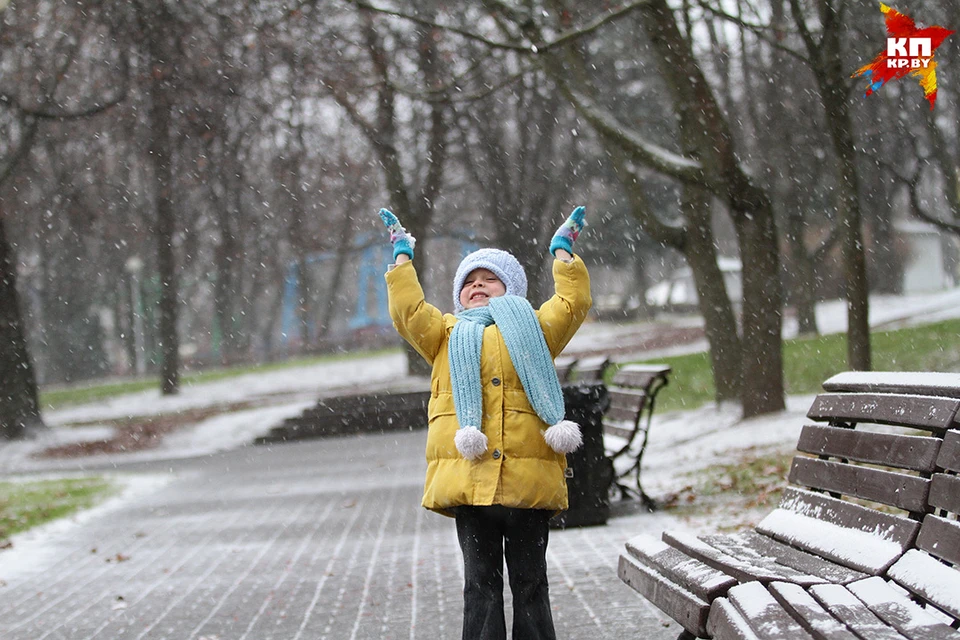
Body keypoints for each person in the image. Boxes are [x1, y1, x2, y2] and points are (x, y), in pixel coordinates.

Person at [377, 206, 592, 640]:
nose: (478, 286)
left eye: (488, 280)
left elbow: (572, 304)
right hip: (472, 482)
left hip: (526, 480)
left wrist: (563, 253)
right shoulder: (444, 335)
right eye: (470, 282)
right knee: (480, 585)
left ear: (510, 288)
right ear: (460, 295)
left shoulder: (535, 328)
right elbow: (409, 311)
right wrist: (402, 259)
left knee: (531, 584)